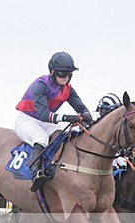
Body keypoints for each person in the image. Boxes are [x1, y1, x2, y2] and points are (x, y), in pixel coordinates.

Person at [15, 51, 93, 191]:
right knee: (41, 138)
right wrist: (66, 117)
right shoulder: (41, 85)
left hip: (46, 122)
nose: (66, 77)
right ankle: (35, 173)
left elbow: (80, 107)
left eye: (69, 73)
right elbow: (43, 114)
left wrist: (86, 115)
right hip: (27, 119)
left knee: (65, 134)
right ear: (52, 71)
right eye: (62, 73)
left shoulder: (68, 89)